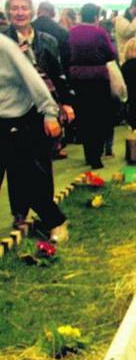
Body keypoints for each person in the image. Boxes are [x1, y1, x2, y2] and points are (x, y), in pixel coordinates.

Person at [0, 34, 68, 242]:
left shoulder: (5, 47)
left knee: (28, 178)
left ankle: (56, 222)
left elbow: (33, 79)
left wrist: (49, 112)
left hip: (17, 117)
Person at [4, 0, 75, 167]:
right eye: (14, 8)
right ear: (7, 12)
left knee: (38, 164)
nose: (20, 13)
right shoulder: (3, 41)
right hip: (9, 111)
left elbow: (58, 74)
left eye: (24, 8)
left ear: (32, 12)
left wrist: (66, 103)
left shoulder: (48, 41)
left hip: (40, 111)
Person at [68, 2, 118, 169]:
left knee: (84, 117)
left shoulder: (72, 32)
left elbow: (66, 53)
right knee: (99, 117)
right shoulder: (100, 32)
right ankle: (96, 157)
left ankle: (88, 154)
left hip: (77, 79)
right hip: (98, 78)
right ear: (96, 17)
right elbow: (111, 54)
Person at [33, 1, 71, 72]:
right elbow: (66, 59)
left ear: (38, 12)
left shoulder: (28, 28)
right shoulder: (63, 31)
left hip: (33, 74)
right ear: (53, 14)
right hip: (55, 74)